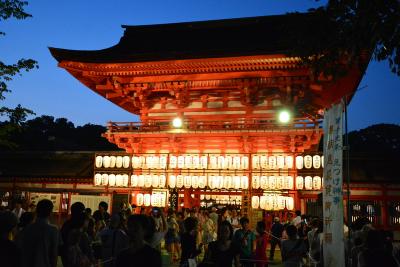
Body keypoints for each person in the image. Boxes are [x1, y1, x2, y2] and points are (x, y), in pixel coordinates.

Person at [20, 199, 60, 267]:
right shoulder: (53, 230)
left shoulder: (27, 229)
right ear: (50, 212)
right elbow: (54, 254)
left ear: (37, 211)